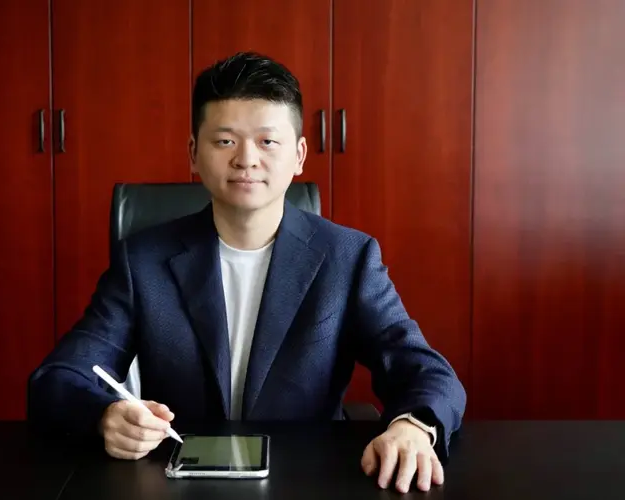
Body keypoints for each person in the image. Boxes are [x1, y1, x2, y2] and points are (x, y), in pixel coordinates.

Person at [27, 51, 466, 493]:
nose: (246, 159)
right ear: (193, 154)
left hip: (305, 482)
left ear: (299, 155)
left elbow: (427, 372)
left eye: (267, 141)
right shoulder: (143, 261)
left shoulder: (347, 258)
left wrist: (413, 426)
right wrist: (103, 416)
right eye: (225, 141)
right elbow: (59, 378)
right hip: (179, 483)